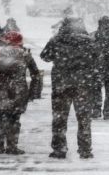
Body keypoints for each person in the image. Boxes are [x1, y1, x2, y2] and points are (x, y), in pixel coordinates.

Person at [40, 17, 97, 159]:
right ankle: (85, 149)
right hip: (83, 84)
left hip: (61, 83)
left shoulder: (56, 40)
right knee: (84, 118)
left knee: (59, 118)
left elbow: (45, 56)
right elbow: (98, 59)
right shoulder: (89, 41)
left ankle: (59, 148)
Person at [0, 31, 41, 155]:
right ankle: (12, 146)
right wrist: (33, 92)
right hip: (18, 89)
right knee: (14, 119)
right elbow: (36, 74)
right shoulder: (25, 54)